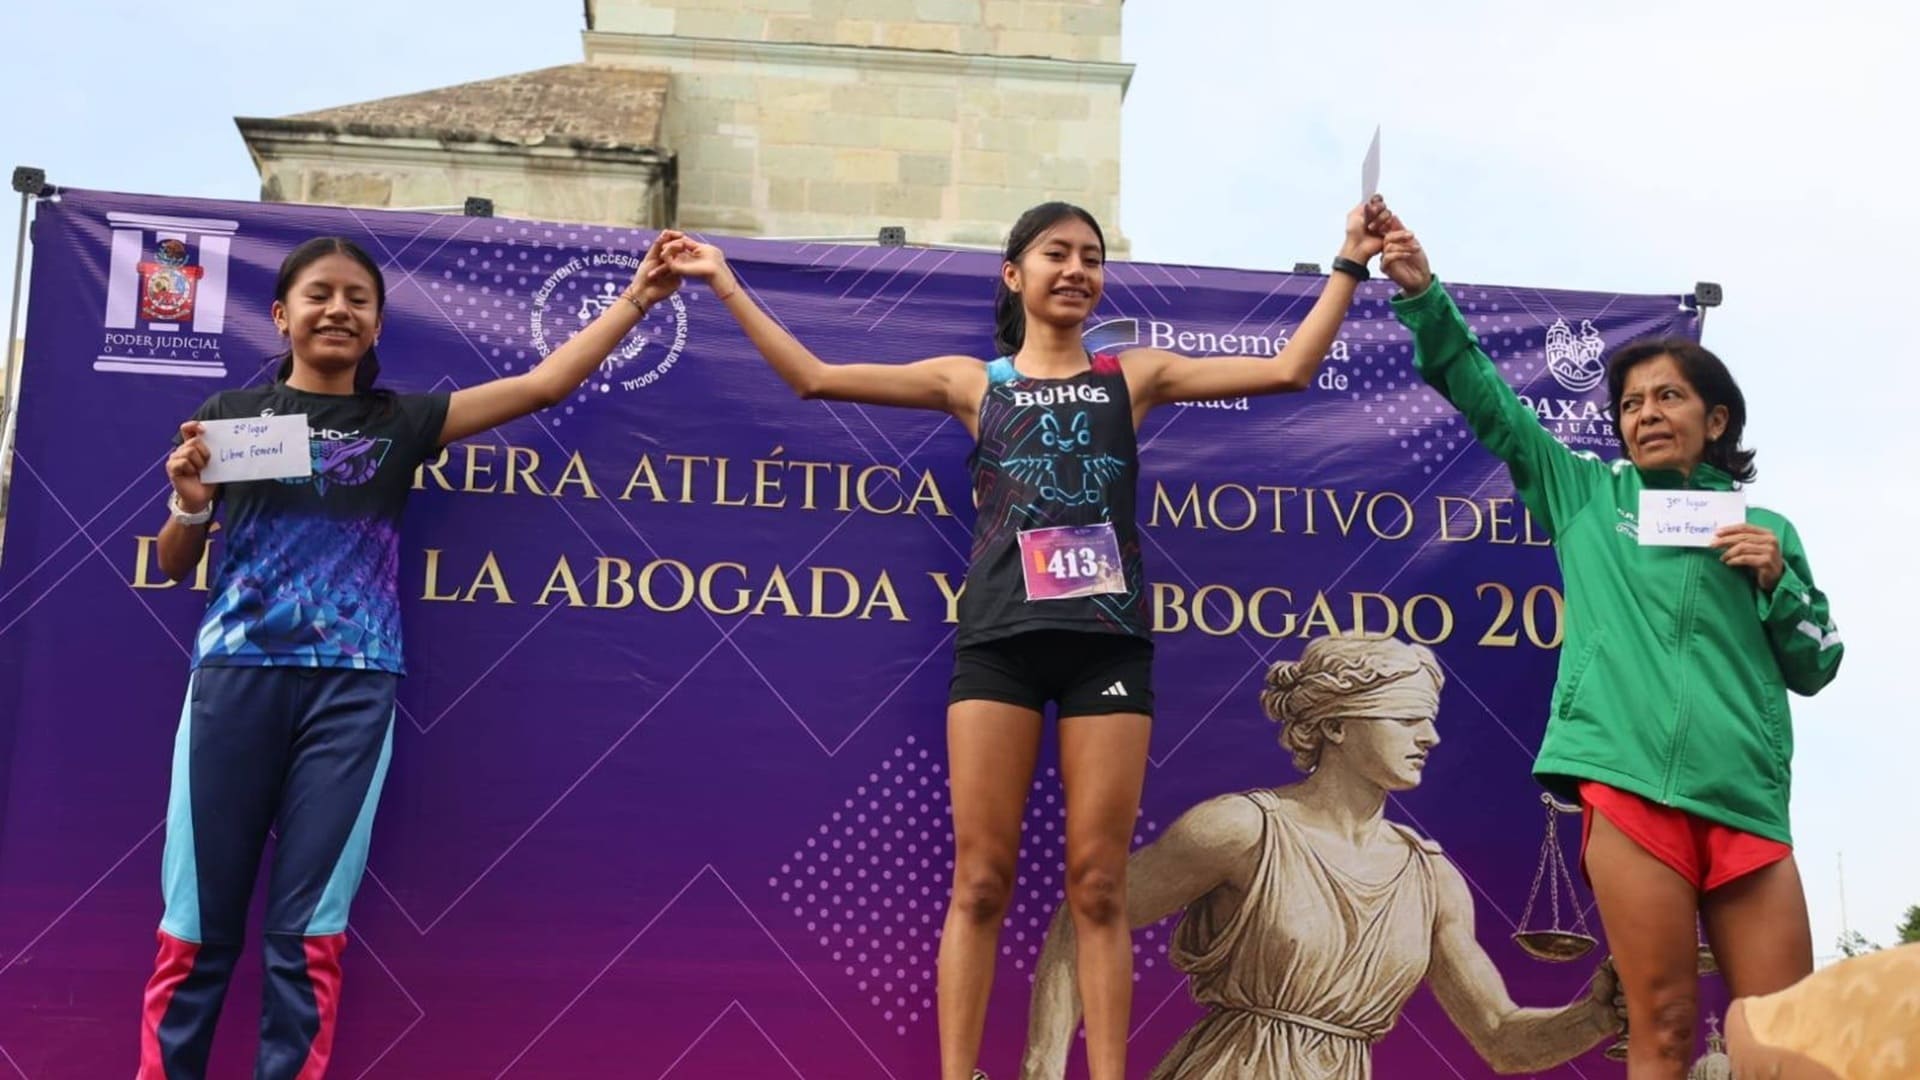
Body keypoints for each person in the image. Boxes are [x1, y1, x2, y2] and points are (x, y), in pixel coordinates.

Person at [658, 199, 1389, 1080]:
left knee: (1100, 884)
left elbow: (1289, 370)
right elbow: (813, 377)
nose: (1077, 269)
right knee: (981, 881)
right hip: (998, 647)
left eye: (1091, 256)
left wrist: (1349, 262)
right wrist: (723, 281)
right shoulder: (974, 383)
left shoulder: (1133, 376)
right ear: (1014, 274)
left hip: (1106, 650)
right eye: (1056, 253)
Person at [139, 233, 681, 1079]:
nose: (338, 311)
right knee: (195, 926)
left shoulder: (401, 422)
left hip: (352, 693)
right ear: (281, 316)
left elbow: (544, 385)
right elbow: (176, 564)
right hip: (234, 683)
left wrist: (639, 299)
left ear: (378, 324)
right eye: (319, 295)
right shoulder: (231, 418)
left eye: (357, 299)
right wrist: (191, 503)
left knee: (308, 932)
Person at [1377, 220, 1843, 1078]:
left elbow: (1818, 663)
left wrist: (1780, 582)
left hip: (1744, 799)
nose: (1646, 414)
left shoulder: (1767, 530)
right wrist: (1421, 293)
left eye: (1668, 397)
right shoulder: (1588, 495)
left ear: (1715, 417)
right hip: (1628, 789)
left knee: (1788, 1037)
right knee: (1661, 1023)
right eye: (1630, 404)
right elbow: (1488, 402)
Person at [1021, 636, 1623, 1079]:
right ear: (1335, 726)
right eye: (1406, 719)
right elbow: (1086, 916)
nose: (1430, 737)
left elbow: (1501, 1039)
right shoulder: (1243, 830)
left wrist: (1597, 1016)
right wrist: (1043, 1068)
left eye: (1430, 721)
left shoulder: (1431, 878)